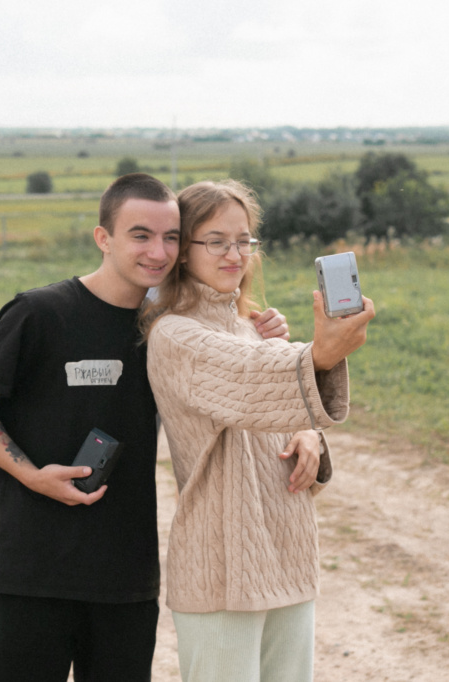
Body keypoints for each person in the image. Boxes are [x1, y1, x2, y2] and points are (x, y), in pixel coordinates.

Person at [0, 174, 290, 682]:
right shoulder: (41, 313)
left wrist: (263, 340)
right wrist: (32, 474)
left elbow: (242, 392)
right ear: (103, 238)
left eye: (171, 237)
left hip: (126, 579)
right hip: (32, 569)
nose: (158, 250)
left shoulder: (165, 330)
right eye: (140, 235)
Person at [142, 179, 375, 682]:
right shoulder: (174, 334)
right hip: (222, 568)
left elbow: (275, 407)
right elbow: (245, 381)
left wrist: (310, 435)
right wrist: (321, 354)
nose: (234, 254)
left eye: (243, 240)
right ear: (183, 252)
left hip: (288, 552)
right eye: (216, 241)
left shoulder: (253, 326)